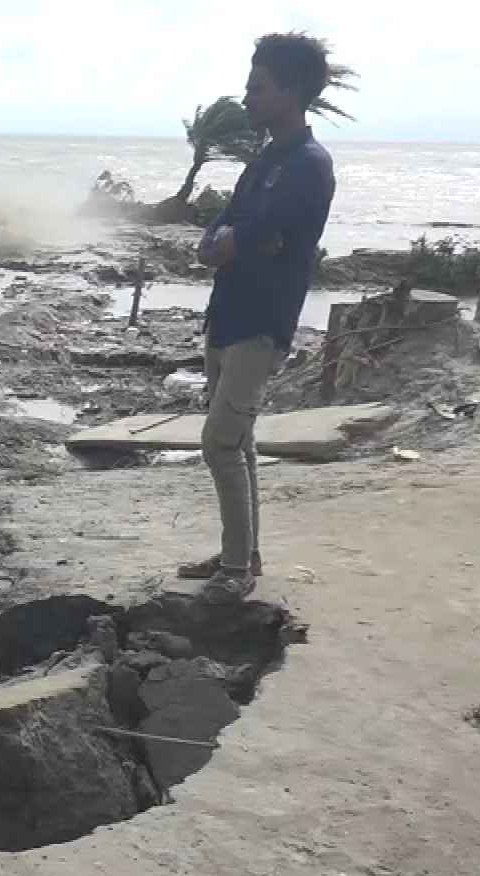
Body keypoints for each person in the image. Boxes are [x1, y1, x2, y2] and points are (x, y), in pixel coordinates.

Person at [184, 33, 340, 603]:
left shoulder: (308, 164)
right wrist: (223, 241)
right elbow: (228, 226)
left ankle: (237, 571)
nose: (247, 97)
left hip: (262, 321)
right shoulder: (266, 159)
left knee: (219, 441)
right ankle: (240, 554)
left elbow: (267, 234)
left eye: (258, 87)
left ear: (291, 91)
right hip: (228, 313)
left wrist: (237, 241)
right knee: (239, 439)